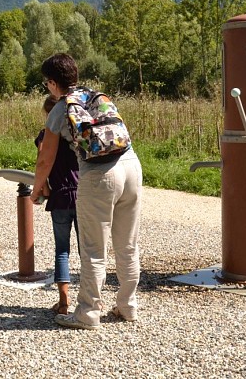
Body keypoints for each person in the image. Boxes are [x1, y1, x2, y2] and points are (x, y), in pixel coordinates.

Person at [30, 53, 143, 329]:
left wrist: (36, 190)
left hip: (99, 174)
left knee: (93, 249)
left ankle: (88, 313)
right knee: (127, 244)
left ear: (53, 83)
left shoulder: (59, 109)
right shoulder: (97, 96)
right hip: (130, 165)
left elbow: (45, 158)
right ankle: (128, 306)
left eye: (47, 83)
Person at [35, 94, 79, 315]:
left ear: (47, 114)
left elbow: (42, 163)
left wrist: (41, 191)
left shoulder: (45, 135)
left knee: (62, 250)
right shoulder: (77, 133)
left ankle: (63, 303)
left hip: (60, 196)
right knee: (88, 251)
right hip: (83, 195)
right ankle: (91, 302)